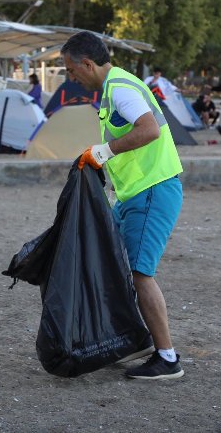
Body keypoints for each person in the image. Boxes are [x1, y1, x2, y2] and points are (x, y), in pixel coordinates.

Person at [61, 31, 184, 381]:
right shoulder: (114, 88)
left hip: (152, 191)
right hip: (136, 194)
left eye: (72, 71)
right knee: (114, 264)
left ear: (87, 63)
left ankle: (168, 358)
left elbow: (149, 131)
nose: (72, 78)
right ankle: (134, 340)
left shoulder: (121, 89)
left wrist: (103, 152)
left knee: (140, 273)